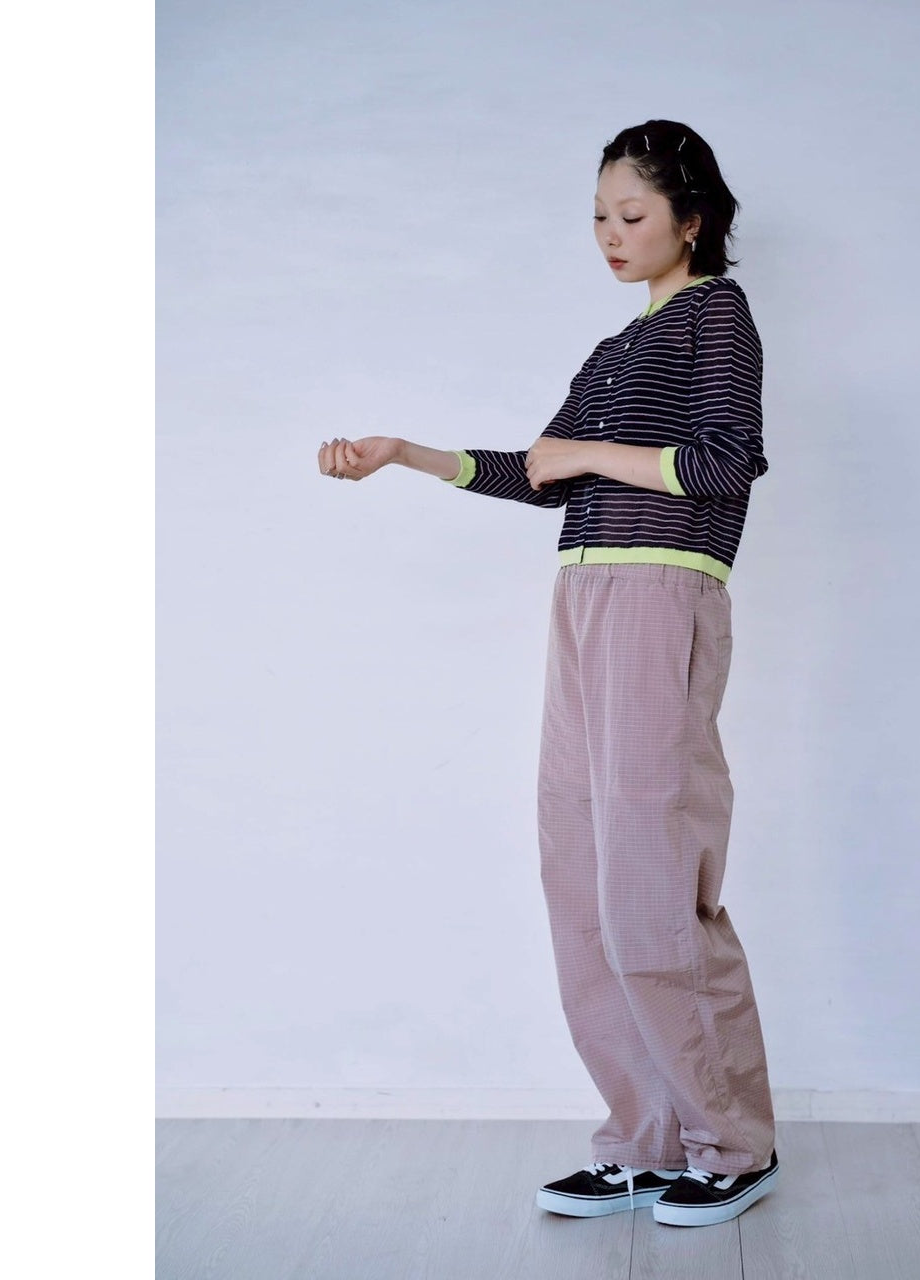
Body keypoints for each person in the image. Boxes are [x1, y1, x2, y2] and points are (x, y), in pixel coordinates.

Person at [316, 119, 778, 1228]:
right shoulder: (615, 348)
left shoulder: (717, 313)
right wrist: (407, 453)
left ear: (690, 220)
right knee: (580, 880)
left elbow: (726, 461)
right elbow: (538, 473)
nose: (611, 234)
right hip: (581, 595)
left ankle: (730, 1142)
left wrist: (589, 454)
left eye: (632, 215)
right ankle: (643, 1137)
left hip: (661, 593)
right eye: (598, 217)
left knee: (651, 880)